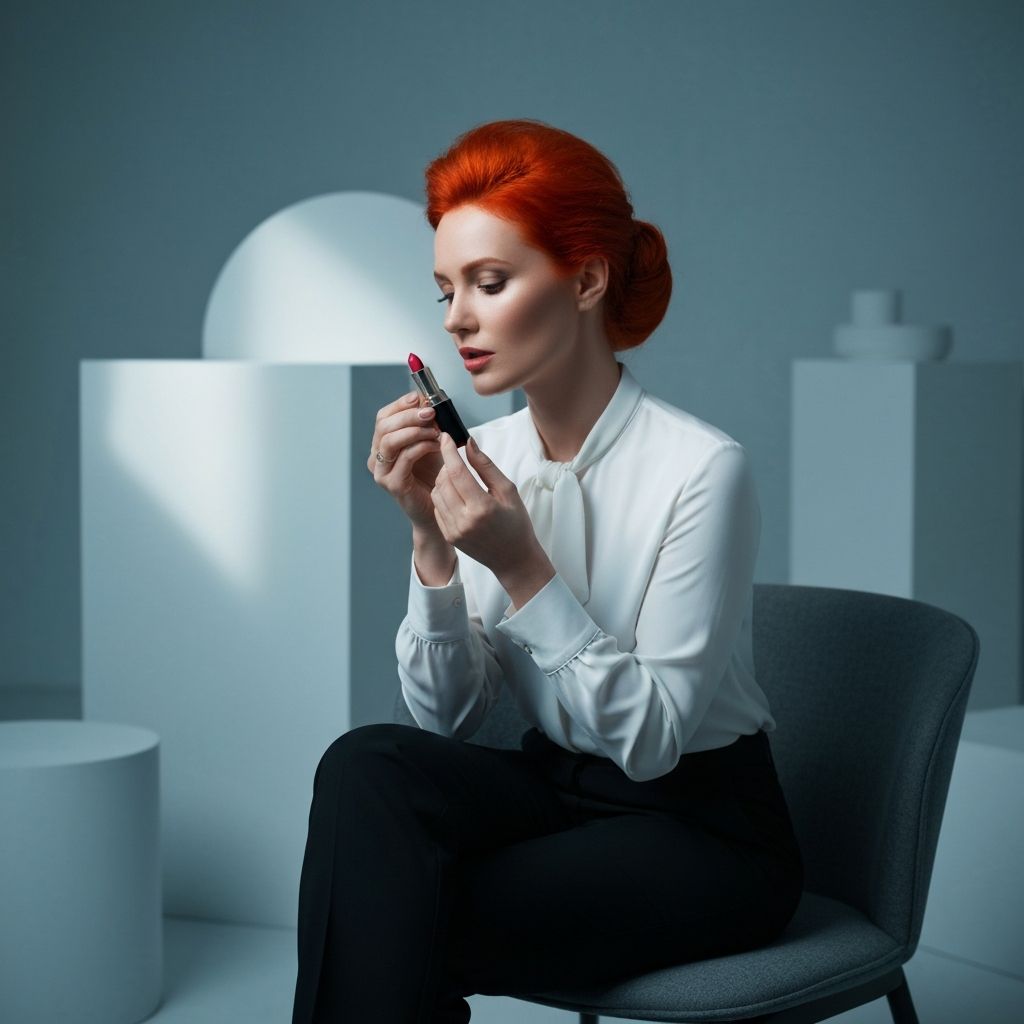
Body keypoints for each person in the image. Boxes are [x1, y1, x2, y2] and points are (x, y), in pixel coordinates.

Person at [292, 118, 803, 1024]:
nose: (455, 319)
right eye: (446, 289)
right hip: (553, 787)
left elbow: (650, 744)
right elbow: (448, 719)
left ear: (588, 280)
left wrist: (523, 566)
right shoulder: (485, 455)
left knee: (394, 905)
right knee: (363, 764)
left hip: (699, 825)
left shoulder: (702, 469)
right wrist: (429, 540)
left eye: (490, 283)